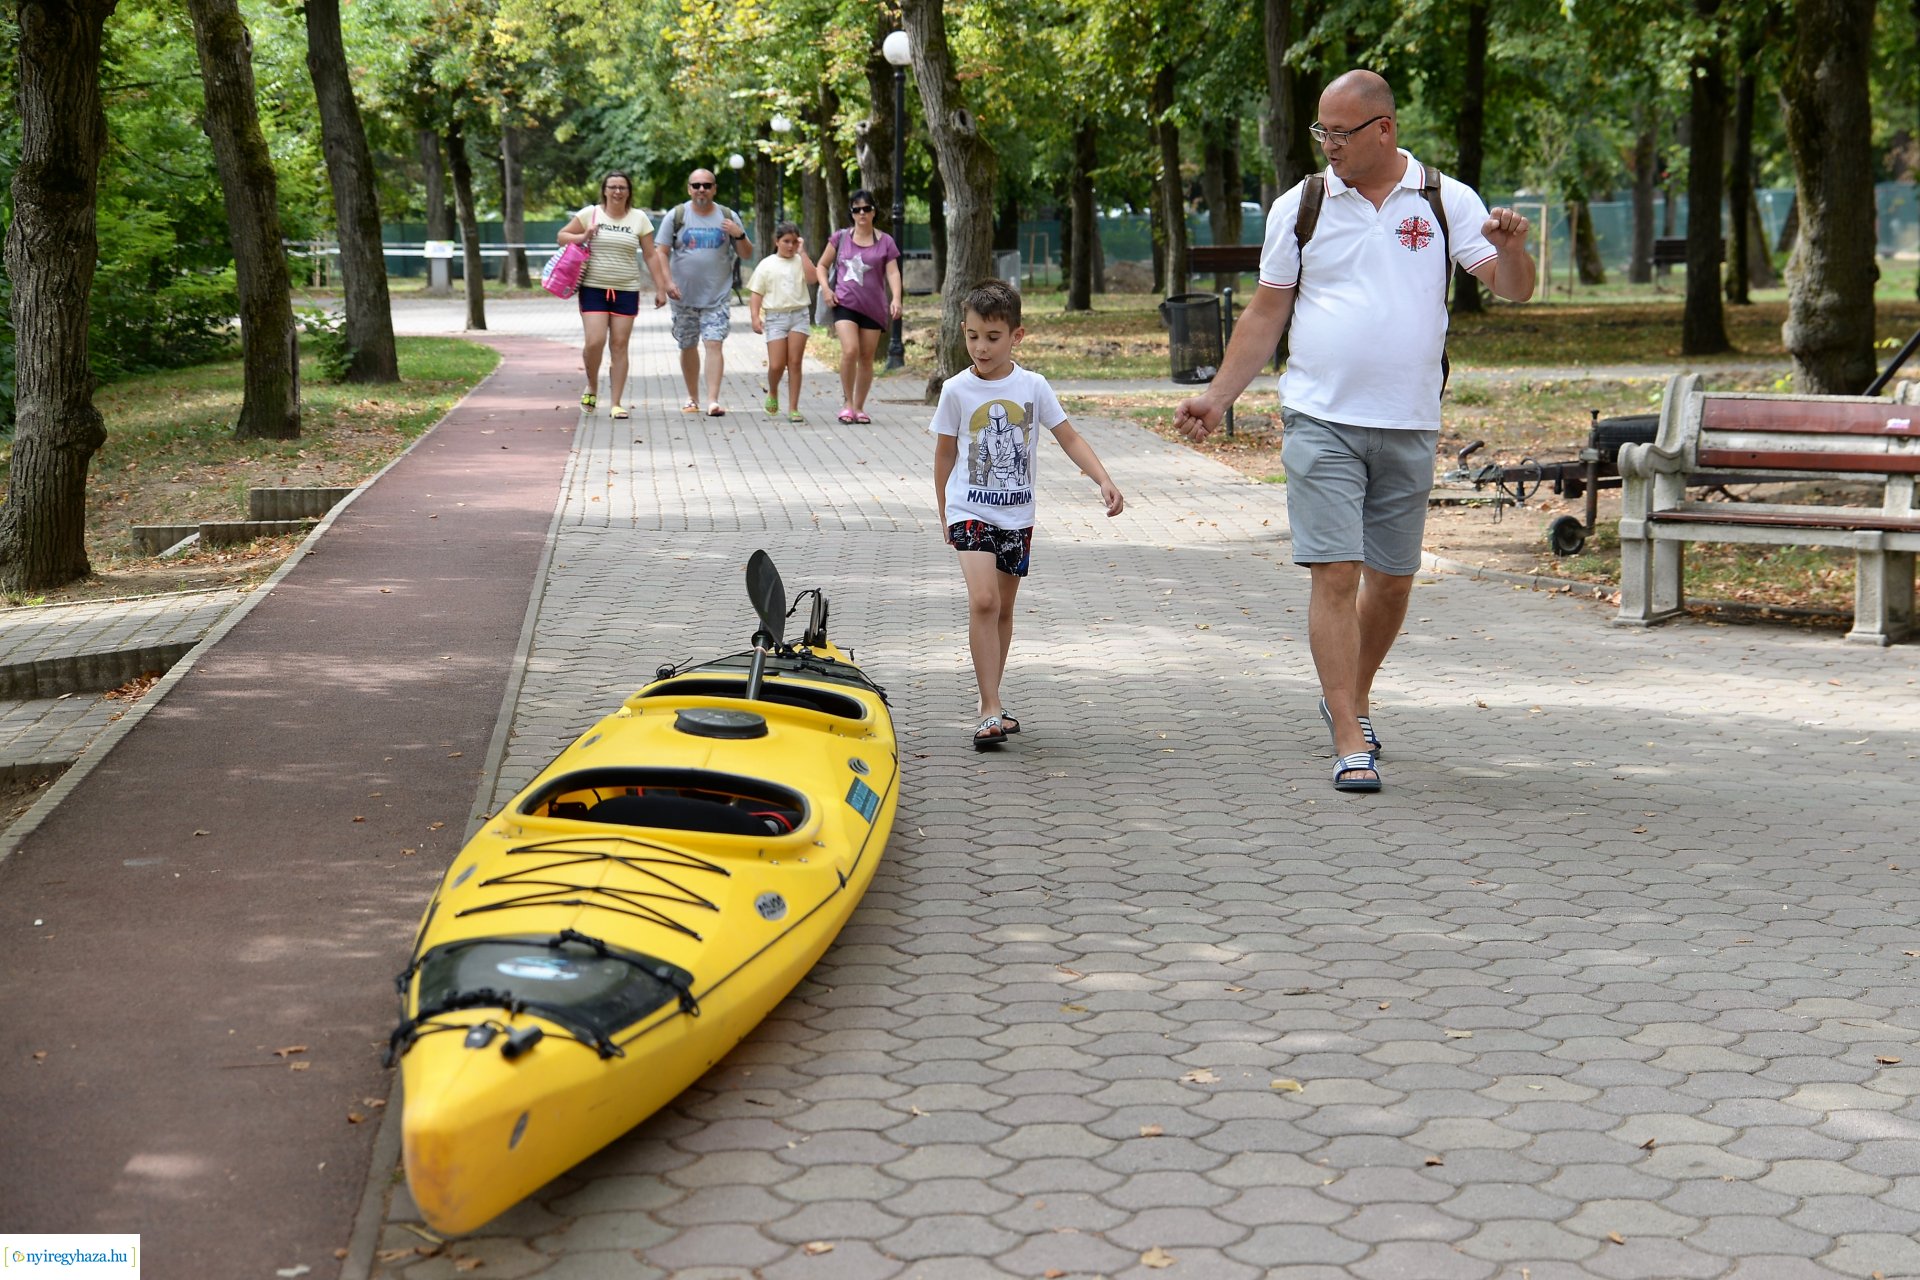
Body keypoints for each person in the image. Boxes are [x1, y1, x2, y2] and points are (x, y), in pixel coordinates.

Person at [1175, 69, 1535, 794]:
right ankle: (1348, 734)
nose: (1329, 145)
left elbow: (1512, 286)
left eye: (1342, 132)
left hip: (1408, 420)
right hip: (1320, 416)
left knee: (1393, 582)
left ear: (1384, 130)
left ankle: (1352, 692)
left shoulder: (1443, 199)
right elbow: (1267, 312)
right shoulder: (1300, 205)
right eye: (1322, 131)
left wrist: (1513, 246)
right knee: (1336, 572)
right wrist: (1217, 397)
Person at [932, 281, 1125, 751]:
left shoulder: (1033, 387)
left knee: (1003, 608)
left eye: (992, 337)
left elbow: (1069, 437)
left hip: (1016, 516)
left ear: (1016, 336)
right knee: (983, 601)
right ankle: (988, 709)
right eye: (973, 335)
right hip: (969, 510)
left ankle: (993, 700)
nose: (981, 346)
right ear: (964, 331)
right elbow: (944, 455)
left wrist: (1103, 478)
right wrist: (944, 511)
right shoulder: (956, 390)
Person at [555, 172, 669, 421]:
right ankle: (592, 385)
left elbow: (651, 254)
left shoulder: (639, 218)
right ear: (604, 190)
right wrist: (583, 236)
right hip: (593, 287)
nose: (617, 192)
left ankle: (616, 402)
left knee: (619, 344)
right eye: (613, 187)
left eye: (622, 188)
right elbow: (562, 236)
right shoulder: (590, 214)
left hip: (626, 288)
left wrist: (661, 287)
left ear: (629, 191)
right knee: (594, 341)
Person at [653, 168, 753, 416]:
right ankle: (692, 397)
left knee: (713, 343)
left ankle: (712, 400)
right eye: (696, 185)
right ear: (689, 188)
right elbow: (661, 252)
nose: (701, 189)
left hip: (716, 296)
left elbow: (747, 254)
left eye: (707, 185)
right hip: (682, 295)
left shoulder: (728, 216)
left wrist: (738, 234)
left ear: (714, 189)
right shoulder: (677, 215)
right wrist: (666, 283)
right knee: (687, 345)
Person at [815, 190, 902, 424]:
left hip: (873, 307)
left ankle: (860, 407)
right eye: (856, 209)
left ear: (874, 211)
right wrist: (826, 289)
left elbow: (893, 272)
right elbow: (821, 266)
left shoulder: (885, 241)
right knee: (850, 350)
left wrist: (896, 299)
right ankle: (847, 404)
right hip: (845, 303)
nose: (861, 213)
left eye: (866, 209)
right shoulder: (841, 238)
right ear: (851, 213)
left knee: (866, 357)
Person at [746, 221, 819, 422]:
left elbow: (813, 278)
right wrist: (755, 316)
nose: (790, 246)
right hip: (776, 318)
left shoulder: (800, 261)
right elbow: (756, 292)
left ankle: (793, 407)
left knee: (795, 362)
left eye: (794, 242)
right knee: (777, 364)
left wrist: (803, 253)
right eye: (786, 241)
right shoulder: (767, 264)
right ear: (777, 241)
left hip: (799, 316)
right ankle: (773, 390)